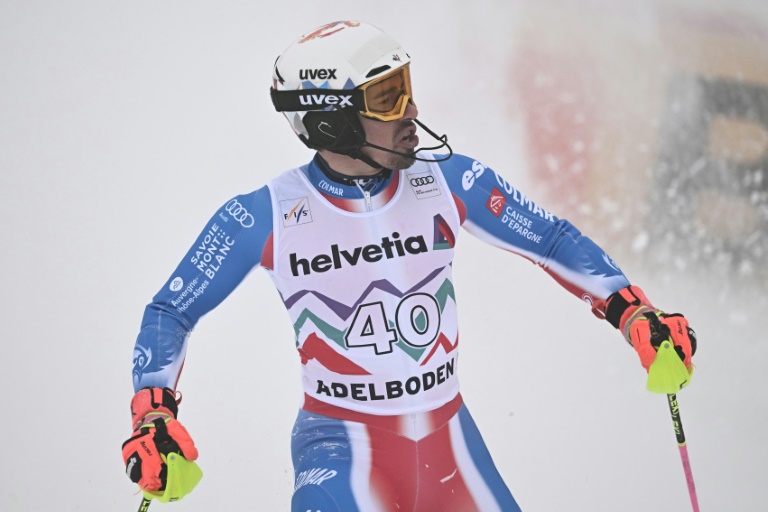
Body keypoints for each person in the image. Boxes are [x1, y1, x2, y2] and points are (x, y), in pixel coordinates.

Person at [121, 21, 697, 512]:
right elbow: (171, 310)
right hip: (340, 449)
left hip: (451, 444)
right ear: (330, 121)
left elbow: (549, 238)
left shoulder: (448, 180)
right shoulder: (263, 215)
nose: (412, 111)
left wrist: (632, 309)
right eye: (386, 98)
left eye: (406, 89)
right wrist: (152, 414)